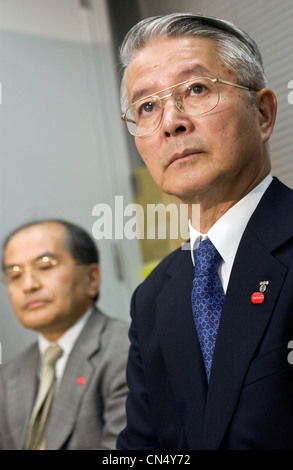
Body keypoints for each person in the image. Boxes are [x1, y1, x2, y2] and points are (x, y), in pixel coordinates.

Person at [116, 13, 293, 450]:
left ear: (264, 114)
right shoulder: (153, 297)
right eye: (147, 107)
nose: (171, 122)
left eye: (196, 89)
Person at [0, 219, 129, 450]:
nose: (28, 285)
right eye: (15, 274)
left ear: (92, 278)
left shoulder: (127, 351)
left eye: (45, 265)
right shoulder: (8, 375)